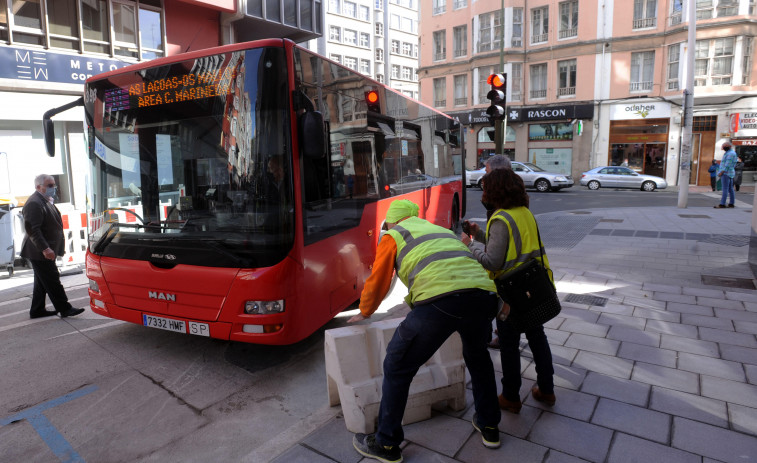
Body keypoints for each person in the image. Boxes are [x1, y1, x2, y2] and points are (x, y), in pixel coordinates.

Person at [348, 199, 502, 462]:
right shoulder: (441, 231)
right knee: (478, 358)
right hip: (484, 298)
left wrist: (365, 310)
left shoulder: (393, 235)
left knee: (397, 364)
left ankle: (386, 444)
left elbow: (379, 280)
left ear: (393, 221)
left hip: (440, 303)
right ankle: (489, 427)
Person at [461, 168, 556, 414]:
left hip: (512, 293)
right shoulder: (524, 212)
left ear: (495, 191)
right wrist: (479, 234)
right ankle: (547, 389)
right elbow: (509, 243)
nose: (483, 193)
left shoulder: (501, 218)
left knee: (509, 344)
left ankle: (511, 396)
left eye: (485, 189)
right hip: (534, 287)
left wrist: (470, 245)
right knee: (538, 337)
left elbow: (493, 261)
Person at [20, 174, 85, 319]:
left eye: (54, 185)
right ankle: (65, 308)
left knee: (42, 282)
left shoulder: (44, 200)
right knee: (52, 279)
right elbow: (32, 229)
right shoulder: (34, 203)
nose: (53, 188)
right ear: (38, 187)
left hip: (42, 251)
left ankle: (37, 310)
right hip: (39, 252)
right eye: (50, 185)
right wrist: (45, 249)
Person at [715, 142, 737, 208]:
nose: (723, 147)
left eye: (724, 146)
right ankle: (731, 203)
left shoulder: (730, 154)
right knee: (730, 189)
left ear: (729, 146)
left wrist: (721, 172)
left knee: (725, 188)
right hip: (730, 173)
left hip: (726, 173)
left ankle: (722, 204)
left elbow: (727, 165)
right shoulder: (731, 153)